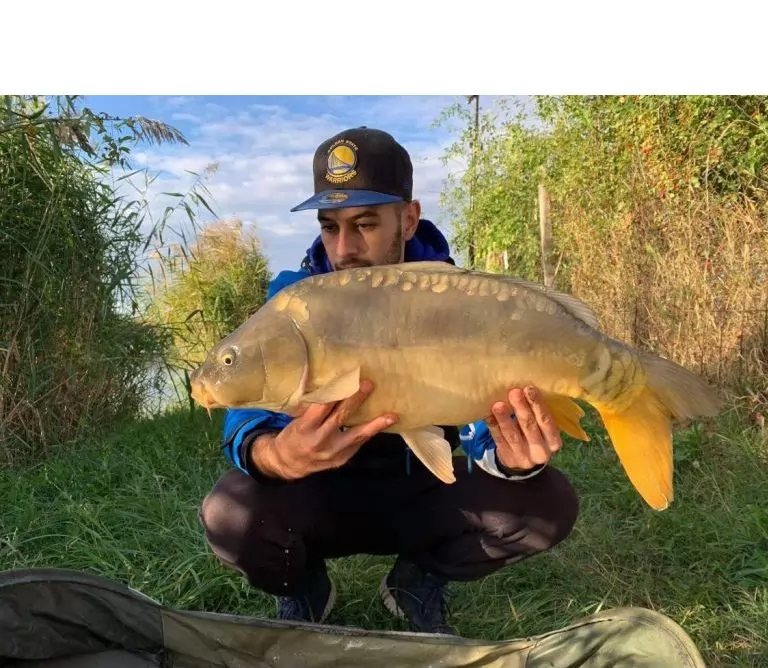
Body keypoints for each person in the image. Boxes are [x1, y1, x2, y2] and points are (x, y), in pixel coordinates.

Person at [199, 126, 580, 635]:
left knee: (546, 503)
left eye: (364, 224)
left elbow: (485, 430)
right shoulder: (295, 298)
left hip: (421, 489)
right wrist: (276, 454)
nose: (344, 248)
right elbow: (247, 420)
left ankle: (417, 579)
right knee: (230, 514)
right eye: (330, 227)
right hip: (320, 496)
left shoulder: (457, 299)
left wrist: (513, 459)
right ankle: (305, 585)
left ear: (408, 218)